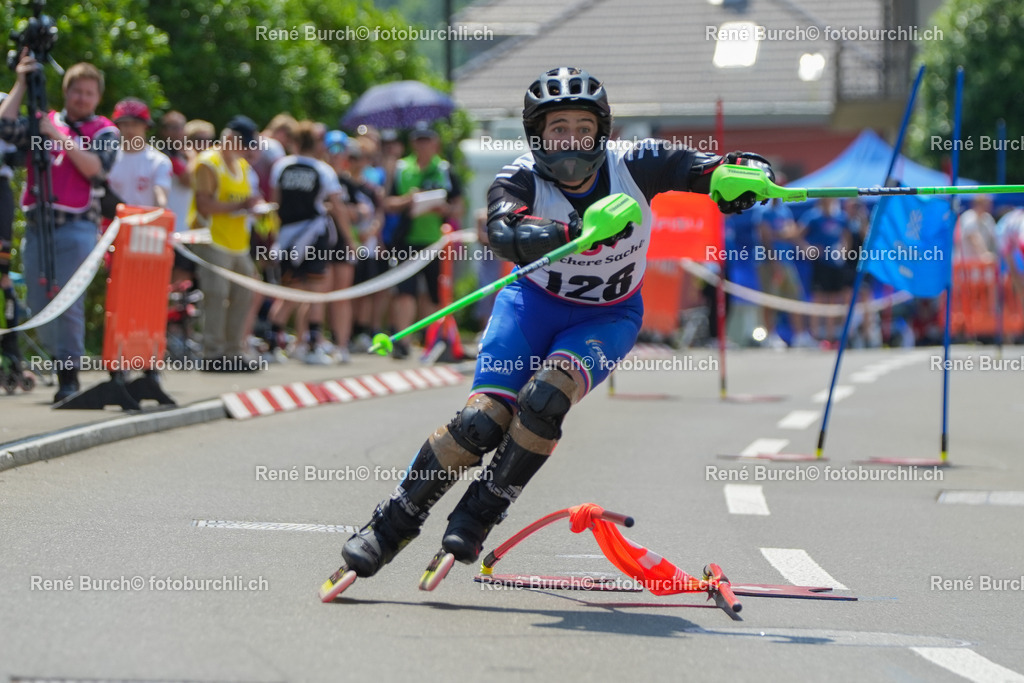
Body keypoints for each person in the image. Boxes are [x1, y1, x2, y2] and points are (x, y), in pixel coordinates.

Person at [339, 66, 772, 580]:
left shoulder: (636, 162)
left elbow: (705, 168)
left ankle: (478, 515)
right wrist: (574, 230)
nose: (570, 141)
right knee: (481, 421)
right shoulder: (518, 177)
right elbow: (502, 230)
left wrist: (740, 176)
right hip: (531, 306)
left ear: (601, 131)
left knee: (546, 399)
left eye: (582, 128)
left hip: (607, 316)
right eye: (557, 128)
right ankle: (391, 525)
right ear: (536, 134)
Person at [0, 55, 119, 401]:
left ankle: (69, 377)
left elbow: (96, 170)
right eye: (76, 91)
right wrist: (22, 82)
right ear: (66, 93)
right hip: (38, 227)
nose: (82, 98)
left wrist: (60, 137)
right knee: (39, 303)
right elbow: (5, 128)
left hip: (77, 227)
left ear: (97, 97)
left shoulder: (105, 131)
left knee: (68, 303)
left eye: (89, 93)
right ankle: (56, 363)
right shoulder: (43, 121)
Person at [264, 121, 353, 365]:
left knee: (287, 292)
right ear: (314, 144)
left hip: (287, 238)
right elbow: (338, 207)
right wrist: (349, 239)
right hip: (314, 237)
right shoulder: (322, 170)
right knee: (315, 293)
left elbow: (275, 203)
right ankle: (313, 346)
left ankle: (273, 344)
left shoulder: (281, 167)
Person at [188, 115, 262, 370]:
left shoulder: (242, 167)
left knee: (243, 294)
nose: (247, 150)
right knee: (216, 294)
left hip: (237, 242)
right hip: (212, 239)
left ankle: (234, 351)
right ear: (230, 139)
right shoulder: (208, 163)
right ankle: (212, 352)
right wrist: (240, 205)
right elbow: (204, 204)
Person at [384, 122, 463, 359]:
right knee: (404, 293)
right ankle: (402, 341)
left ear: (435, 142)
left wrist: (444, 208)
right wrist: (408, 200)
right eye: (418, 139)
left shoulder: (445, 169)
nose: (423, 144)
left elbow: (458, 206)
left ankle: (432, 341)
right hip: (407, 240)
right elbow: (387, 203)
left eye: (427, 139)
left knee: (433, 294)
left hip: (436, 241)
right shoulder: (401, 168)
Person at [799, 197, 851, 346]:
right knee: (819, 298)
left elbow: (846, 236)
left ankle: (831, 336)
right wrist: (808, 248)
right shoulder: (813, 217)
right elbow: (799, 235)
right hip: (820, 263)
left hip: (835, 264)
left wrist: (844, 252)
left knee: (834, 299)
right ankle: (815, 336)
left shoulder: (840, 217)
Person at [107, 98, 171, 209]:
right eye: (125, 124)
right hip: (111, 223)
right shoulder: (107, 159)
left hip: (144, 223)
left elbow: (160, 193)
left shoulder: (159, 161)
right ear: (118, 126)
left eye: (135, 123)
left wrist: (161, 210)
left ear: (146, 126)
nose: (130, 129)